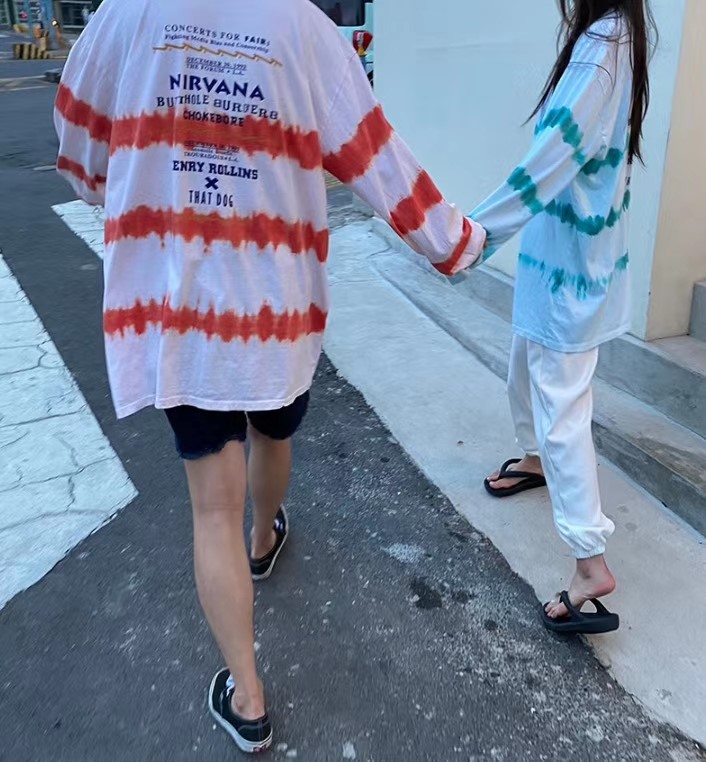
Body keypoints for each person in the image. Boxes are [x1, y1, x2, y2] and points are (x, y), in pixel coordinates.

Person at [54, 0, 486, 752]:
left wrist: (127, 180)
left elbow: (79, 148)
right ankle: (264, 538)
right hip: (275, 304)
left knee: (208, 506)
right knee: (274, 432)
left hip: (178, 307)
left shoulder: (125, 15)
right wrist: (455, 243)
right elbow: (375, 154)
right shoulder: (305, 27)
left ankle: (248, 699)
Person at [472, 0, 655, 635]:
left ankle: (590, 563)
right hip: (562, 257)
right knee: (527, 367)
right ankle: (534, 461)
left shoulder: (603, 43)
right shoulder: (616, 35)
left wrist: (473, 236)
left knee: (562, 408)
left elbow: (551, 158)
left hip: (569, 268)